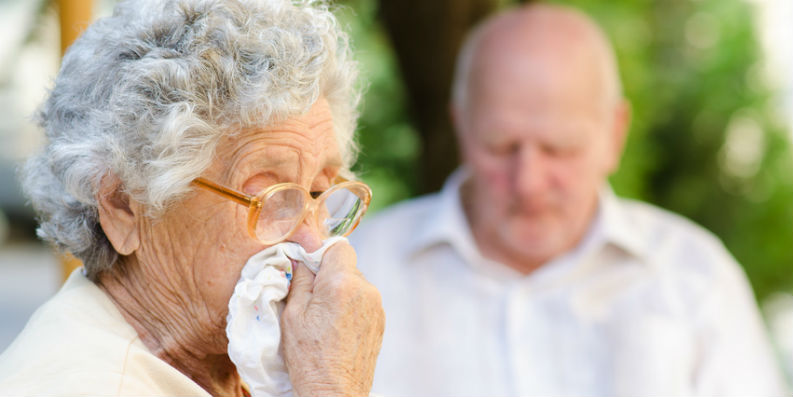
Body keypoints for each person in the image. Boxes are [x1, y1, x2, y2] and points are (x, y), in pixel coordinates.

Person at [350, 3, 787, 396]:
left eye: (560, 149)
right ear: (461, 127)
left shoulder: (696, 278)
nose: (529, 183)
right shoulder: (361, 269)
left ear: (614, 134)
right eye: (501, 147)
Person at [0, 0, 384, 395]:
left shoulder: (255, 366)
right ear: (123, 206)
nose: (313, 242)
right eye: (269, 197)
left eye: (319, 192)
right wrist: (331, 385)